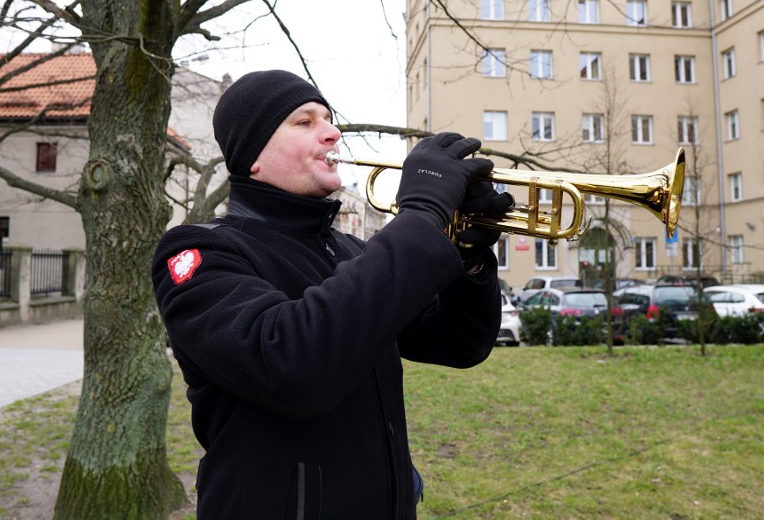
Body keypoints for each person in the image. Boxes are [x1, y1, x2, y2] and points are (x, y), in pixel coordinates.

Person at [151, 69, 513, 518]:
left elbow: (457, 343)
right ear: (252, 154)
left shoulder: (349, 250)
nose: (332, 133)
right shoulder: (199, 252)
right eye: (304, 122)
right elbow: (295, 363)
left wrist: (468, 256)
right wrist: (421, 216)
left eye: (328, 119)